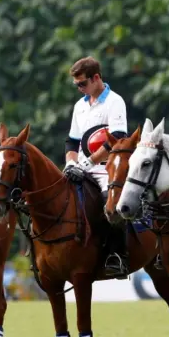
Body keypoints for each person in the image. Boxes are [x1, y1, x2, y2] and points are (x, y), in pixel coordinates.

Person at [62, 57, 129, 278]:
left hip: (106, 168)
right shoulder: (79, 106)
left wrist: (89, 162)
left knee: (110, 204)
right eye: (77, 86)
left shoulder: (115, 101)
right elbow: (72, 141)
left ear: (96, 78)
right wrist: (71, 163)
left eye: (83, 84)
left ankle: (117, 255)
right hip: (80, 166)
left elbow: (117, 138)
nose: (80, 89)